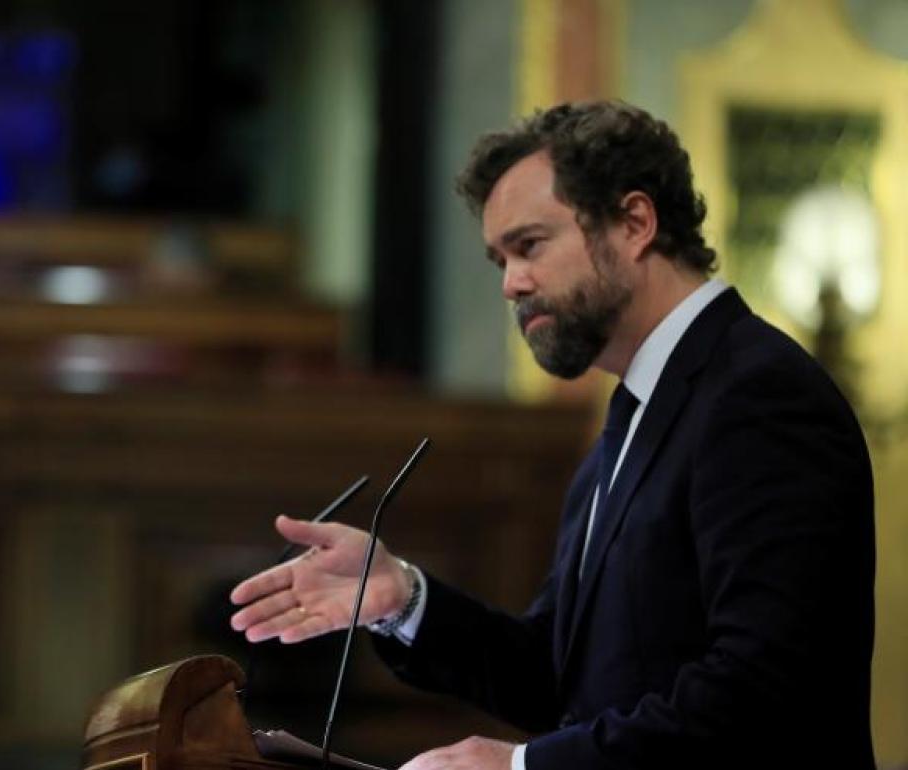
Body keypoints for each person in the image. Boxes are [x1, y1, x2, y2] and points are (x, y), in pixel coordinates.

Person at [228, 101, 875, 770]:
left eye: (530, 245)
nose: (512, 284)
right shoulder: (629, 423)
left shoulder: (758, 394)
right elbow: (561, 680)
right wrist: (404, 599)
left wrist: (521, 768)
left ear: (635, 223)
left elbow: (761, 694)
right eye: (500, 260)